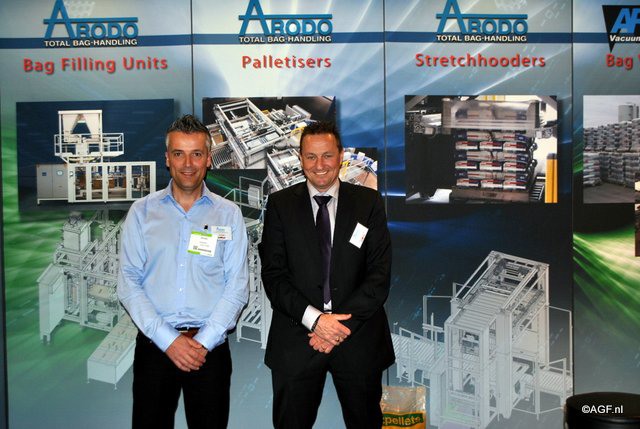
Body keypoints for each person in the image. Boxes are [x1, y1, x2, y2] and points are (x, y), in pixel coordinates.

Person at [259, 121, 394, 428]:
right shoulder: (280, 205)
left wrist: (337, 327)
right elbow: (274, 276)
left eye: (327, 156)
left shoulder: (368, 203)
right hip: (297, 339)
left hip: (357, 339)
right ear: (300, 158)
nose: (319, 165)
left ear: (341, 155)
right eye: (311, 156)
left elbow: (379, 274)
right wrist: (317, 321)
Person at [117, 114, 249, 428]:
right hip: (155, 349)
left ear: (209, 159)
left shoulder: (228, 215)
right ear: (167, 158)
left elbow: (237, 286)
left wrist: (202, 343)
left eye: (196, 154)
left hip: (210, 353)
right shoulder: (142, 212)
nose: (188, 164)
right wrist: (170, 341)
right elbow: (128, 283)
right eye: (179, 153)